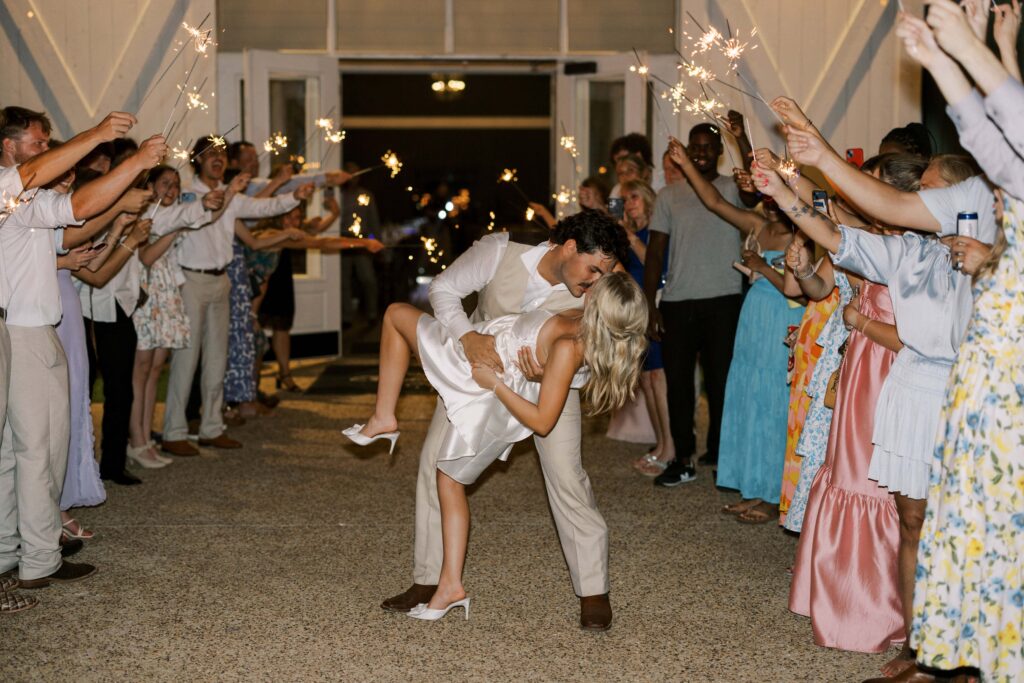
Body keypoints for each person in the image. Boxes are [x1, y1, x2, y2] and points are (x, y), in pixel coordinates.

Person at [379, 210, 629, 631]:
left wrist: (555, 370)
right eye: (591, 269)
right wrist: (467, 336)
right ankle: (430, 579)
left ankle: (593, 590)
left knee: (567, 475)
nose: (596, 279)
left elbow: (609, 340)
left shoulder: (602, 275)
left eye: (604, 271)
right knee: (435, 465)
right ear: (568, 248)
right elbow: (443, 289)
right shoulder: (500, 250)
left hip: (550, 384)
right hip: (479, 373)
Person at [894, 7, 1023, 682]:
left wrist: (960, 52)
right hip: (999, 367)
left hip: (1011, 369)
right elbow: (997, 139)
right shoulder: (1012, 178)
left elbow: (1008, 125)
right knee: (992, 525)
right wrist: (952, 57)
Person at [0, 105, 167, 591]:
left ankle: (15, 552)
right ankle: (37, 559)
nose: (46, 154)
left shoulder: (23, 199)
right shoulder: (9, 184)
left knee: (16, 452)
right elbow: (37, 179)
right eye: (38, 143)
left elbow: (76, 213)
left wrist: (131, 170)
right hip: (24, 333)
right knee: (39, 450)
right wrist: (98, 137)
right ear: (9, 146)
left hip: (27, 331)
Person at [666, 137, 804, 520]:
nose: (771, 203)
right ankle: (752, 485)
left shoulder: (802, 234)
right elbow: (714, 202)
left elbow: (803, 292)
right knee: (747, 401)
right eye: (767, 195)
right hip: (753, 319)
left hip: (783, 321)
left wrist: (762, 268)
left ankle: (775, 494)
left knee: (775, 405)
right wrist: (685, 163)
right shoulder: (757, 225)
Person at [159, 139, 313, 458]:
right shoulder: (188, 193)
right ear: (196, 160)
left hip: (221, 280)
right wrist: (231, 193)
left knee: (218, 357)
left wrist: (293, 197)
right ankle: (173, 430)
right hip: (191, 280)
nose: (218, 159)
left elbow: (261, 208)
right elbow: (201, 217)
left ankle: (212, 427)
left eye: (222, 155)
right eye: (211, 154)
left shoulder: (232, 196)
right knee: (187, 359)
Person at [644, 123, 746, 487]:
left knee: (721, 384)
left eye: (708, 146)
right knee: (679, 386)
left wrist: (743, 136)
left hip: (725, 298)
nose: (701, 152)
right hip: (677, 301)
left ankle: (720, 452)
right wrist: (649, 304)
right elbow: (655, 252)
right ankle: (682, 457)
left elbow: (753, 203)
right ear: (685, 150)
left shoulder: (733, 189)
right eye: (695, 146)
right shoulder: (669, 196)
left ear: (719, 149)